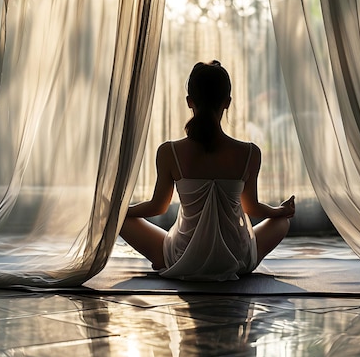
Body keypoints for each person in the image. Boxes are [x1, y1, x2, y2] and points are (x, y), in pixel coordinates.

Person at [120, 60, 295, 281]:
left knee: (121, 221)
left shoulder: (169, 151)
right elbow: (252, 207)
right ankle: (231, 261)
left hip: (182, 256)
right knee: (282, 222)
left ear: (189, 101)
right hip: (237, 258)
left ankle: (173, 260)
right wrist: (280, 212)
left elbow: (158, 207)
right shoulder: (250, 152)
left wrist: (118, 211)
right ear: (227, 102)